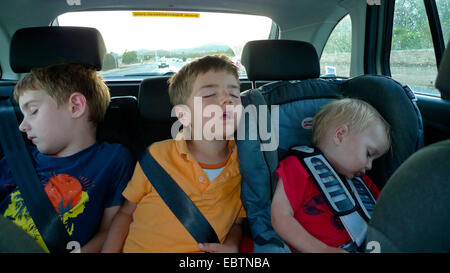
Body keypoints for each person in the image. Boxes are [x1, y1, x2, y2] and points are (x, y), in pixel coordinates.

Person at [102, 55, 246, 253]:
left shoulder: (245, 164)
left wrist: (233, 244)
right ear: (183, 115)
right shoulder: (157, 156)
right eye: (209, 94)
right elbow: (126, 212)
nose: (227, 99)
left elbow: (237, 223)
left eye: (235, 94)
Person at [0, 63, 135, 253]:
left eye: (33, 111)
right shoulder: (14, 161)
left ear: (75, 106)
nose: (22, 126)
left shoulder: (113, 160)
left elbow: (110, 230)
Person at [271, 98, 391, 253]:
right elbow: (280, 217)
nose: (369, 166)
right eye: (368, 154)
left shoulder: (362, 183)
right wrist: (322, 250)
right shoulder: (297, 167)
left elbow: (387, 216)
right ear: (340, 135)